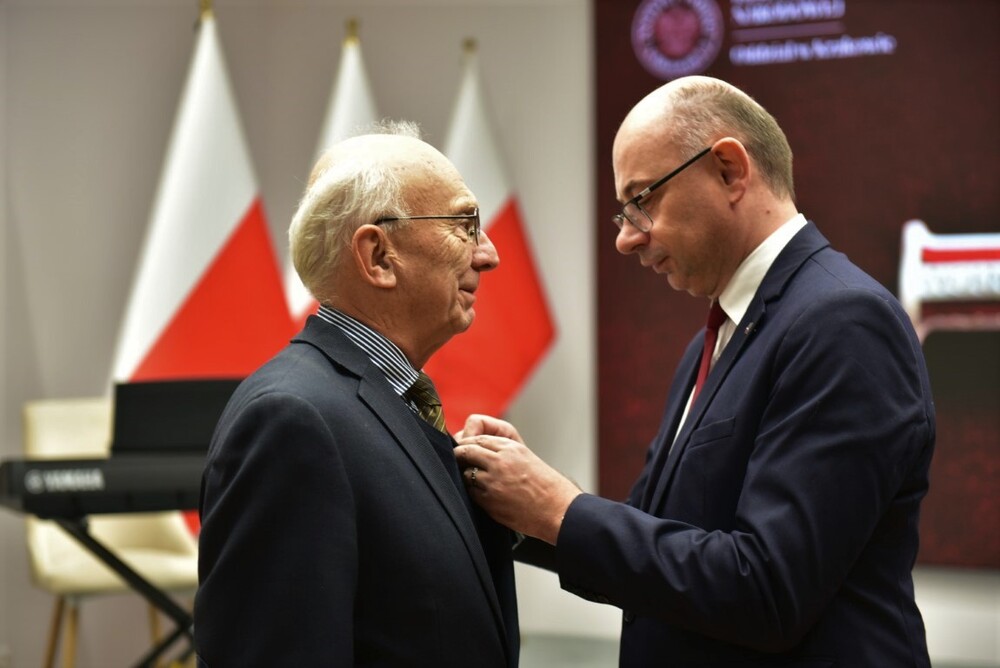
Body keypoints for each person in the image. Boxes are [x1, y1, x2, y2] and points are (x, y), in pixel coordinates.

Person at [455, 76, 935, 666]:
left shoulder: (844, 321)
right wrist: (522, 502)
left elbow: (768, 591)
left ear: (729, 170)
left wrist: (559, 509)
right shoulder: (715, 339)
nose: (626, 239)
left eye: (642, 201)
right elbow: (662, 539)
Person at [195, 122, 520, 667]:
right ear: (378, 257)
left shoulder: (390, 401)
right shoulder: (290, 421)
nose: (488, 255)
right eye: (464, 225)